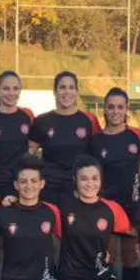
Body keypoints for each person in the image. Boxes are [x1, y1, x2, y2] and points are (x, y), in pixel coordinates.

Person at [88, 87, 140, 280]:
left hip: (132, 207)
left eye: (120, 107)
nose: (115, 111)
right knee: (107, 258)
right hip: (106, 209)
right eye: (111, 107)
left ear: (126, 109)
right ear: (104, 109)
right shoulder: (95, 140)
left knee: (132, 258)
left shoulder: (135, 137)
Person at [28, 71, 101, 206]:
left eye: (71, 87)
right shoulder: (42, 121)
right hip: (49, 188)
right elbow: (28, 156)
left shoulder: (88, 120)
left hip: (79, 188)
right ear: (55, 91)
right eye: (62, 87)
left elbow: (97, 155)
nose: (66, 92)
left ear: (77, 91)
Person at [0, 71, 36, 200]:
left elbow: (34, 144)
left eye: (15, 89)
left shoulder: (27, 116)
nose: (11, 93)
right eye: (6, 88)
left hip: (19, 183)